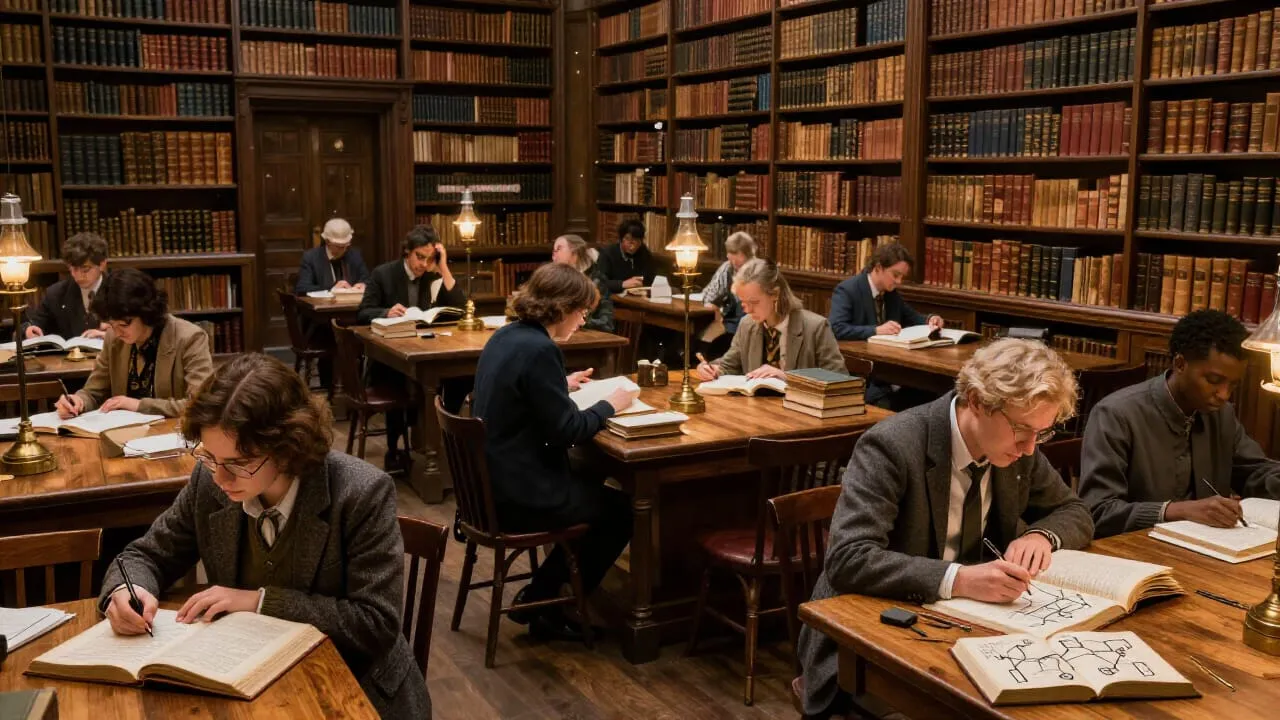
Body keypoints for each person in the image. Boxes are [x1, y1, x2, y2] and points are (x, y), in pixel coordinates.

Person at [98, 353, 430, 719]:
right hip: (252, 684)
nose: (220, 478)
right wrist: (126, 592)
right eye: (209, 457)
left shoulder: (361, 492)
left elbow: (375, 623)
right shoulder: (210, 482)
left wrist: (258, 601)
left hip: (353, 691)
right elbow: (143, 556)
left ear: (289, 449)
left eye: (239, 463)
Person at [797, 339, 1094, 717]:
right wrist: (962, 579)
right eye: (1022, 430)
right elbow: (848, 559)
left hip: (972, 629)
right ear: (976, 400)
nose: (1031, 448)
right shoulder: (893, 445)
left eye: (1043, 433)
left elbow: (1074, 510)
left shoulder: (1018, 452)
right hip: (874, 639)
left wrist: (1041, 535)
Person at [472, 263, 637, 641]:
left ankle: (544, 594)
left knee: (591, 486)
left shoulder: (508, 336)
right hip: (520, 493)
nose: (582, 320)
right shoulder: (542, 350)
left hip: (490, 483)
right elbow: (567, 431)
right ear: (561, 307)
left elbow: (518, 391)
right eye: (581, 312)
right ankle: (547, 600)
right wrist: (611, 404)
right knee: (621, 512)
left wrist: (559, 385)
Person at [1080, 309, 1280, 538]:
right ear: (1180, 363)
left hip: (1208, 547)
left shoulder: (1220, 415)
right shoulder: (1115, 415)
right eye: (1214, 381)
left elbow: (1255, 472)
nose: (1224, 394)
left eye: (1233, 385)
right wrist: (1179, 510)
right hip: (1135, 550)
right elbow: (1098, 511)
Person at [358, 225, 467, 468]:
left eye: (430, 258)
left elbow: (461, 309)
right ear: (407, 252)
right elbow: (363, 312)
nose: (423, 264)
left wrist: (443, 267)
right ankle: (396, 447)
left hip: (428, 349)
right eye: (420, 256)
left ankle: (439, 441)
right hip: (391, 356)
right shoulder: (383, 274)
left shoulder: (433, 276)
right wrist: (386, 312)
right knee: (399, 377)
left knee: (458, 377)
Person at [55, 268, 213, 419]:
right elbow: (93, 392)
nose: (116, 333)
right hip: (123, 436)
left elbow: (201, 405)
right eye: (111, 325)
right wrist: (77, 401)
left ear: (146, 313)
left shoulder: (190, 338)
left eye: (124, 325)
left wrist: (139, 405)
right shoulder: (113, 338)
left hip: (172, 437)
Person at [829, 242, 944, 408]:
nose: (898, 281)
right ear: (878, 267)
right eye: (895, 275)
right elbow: (836, 327)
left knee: (931, 396)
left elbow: (912, 316)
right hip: (864, 375)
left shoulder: (891, 293)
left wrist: (931, 320)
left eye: (902, 277)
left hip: (890, 371)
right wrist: (876, 330)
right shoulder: (848, 290)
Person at [696, 258, 846, 381]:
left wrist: (787, 377)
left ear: (775, 294)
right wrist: (712, 369)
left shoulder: (816, 327)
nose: (747, 310)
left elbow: (839, 378)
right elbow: (729, 365)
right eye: (743, 302)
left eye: (754, 302)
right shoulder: (747, 324)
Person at [23, 231, 110, 340]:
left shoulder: (119, 289)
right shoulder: (56, 294)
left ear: (102, 265)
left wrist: (110, 337)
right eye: (73, 269)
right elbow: (33, 325)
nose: (78, 276)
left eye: (85, 270)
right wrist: (29, 330)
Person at [700, 231, 754, 355]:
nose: (732, 260)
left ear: (748, 254)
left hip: (751, 326)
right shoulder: (728, 267)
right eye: (730, 254)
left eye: (736, 254)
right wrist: (712, 305)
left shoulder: (758, 269)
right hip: (730, 324)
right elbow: (709, 296)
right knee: (705, 344)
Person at [551, 233, 614, 333]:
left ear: (574, 254)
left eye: (559, 249)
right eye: (553, 250)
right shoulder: (552, 279)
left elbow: (607, 324)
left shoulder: (596, 280)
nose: (554, 253)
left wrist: (580, 322)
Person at [295, 218, 370, 295]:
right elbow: (302, 289)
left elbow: (367, 280)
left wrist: (363, 285)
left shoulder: (355, 255)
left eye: (346, 245)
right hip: (324, 305)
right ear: (327, 241)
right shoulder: (311, 257)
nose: (343, 250)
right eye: (339, 246)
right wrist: (331, 289)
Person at [596, 217, 657, 294]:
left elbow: (652, 279)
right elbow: (598, 284)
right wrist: (622, 284)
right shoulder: (607, 254)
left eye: (637, 241)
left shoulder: (644, 252)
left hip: (639, 298)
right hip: (614, 299)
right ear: (621, 239)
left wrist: (643, 283)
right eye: (629, 240)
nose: (633, 246)